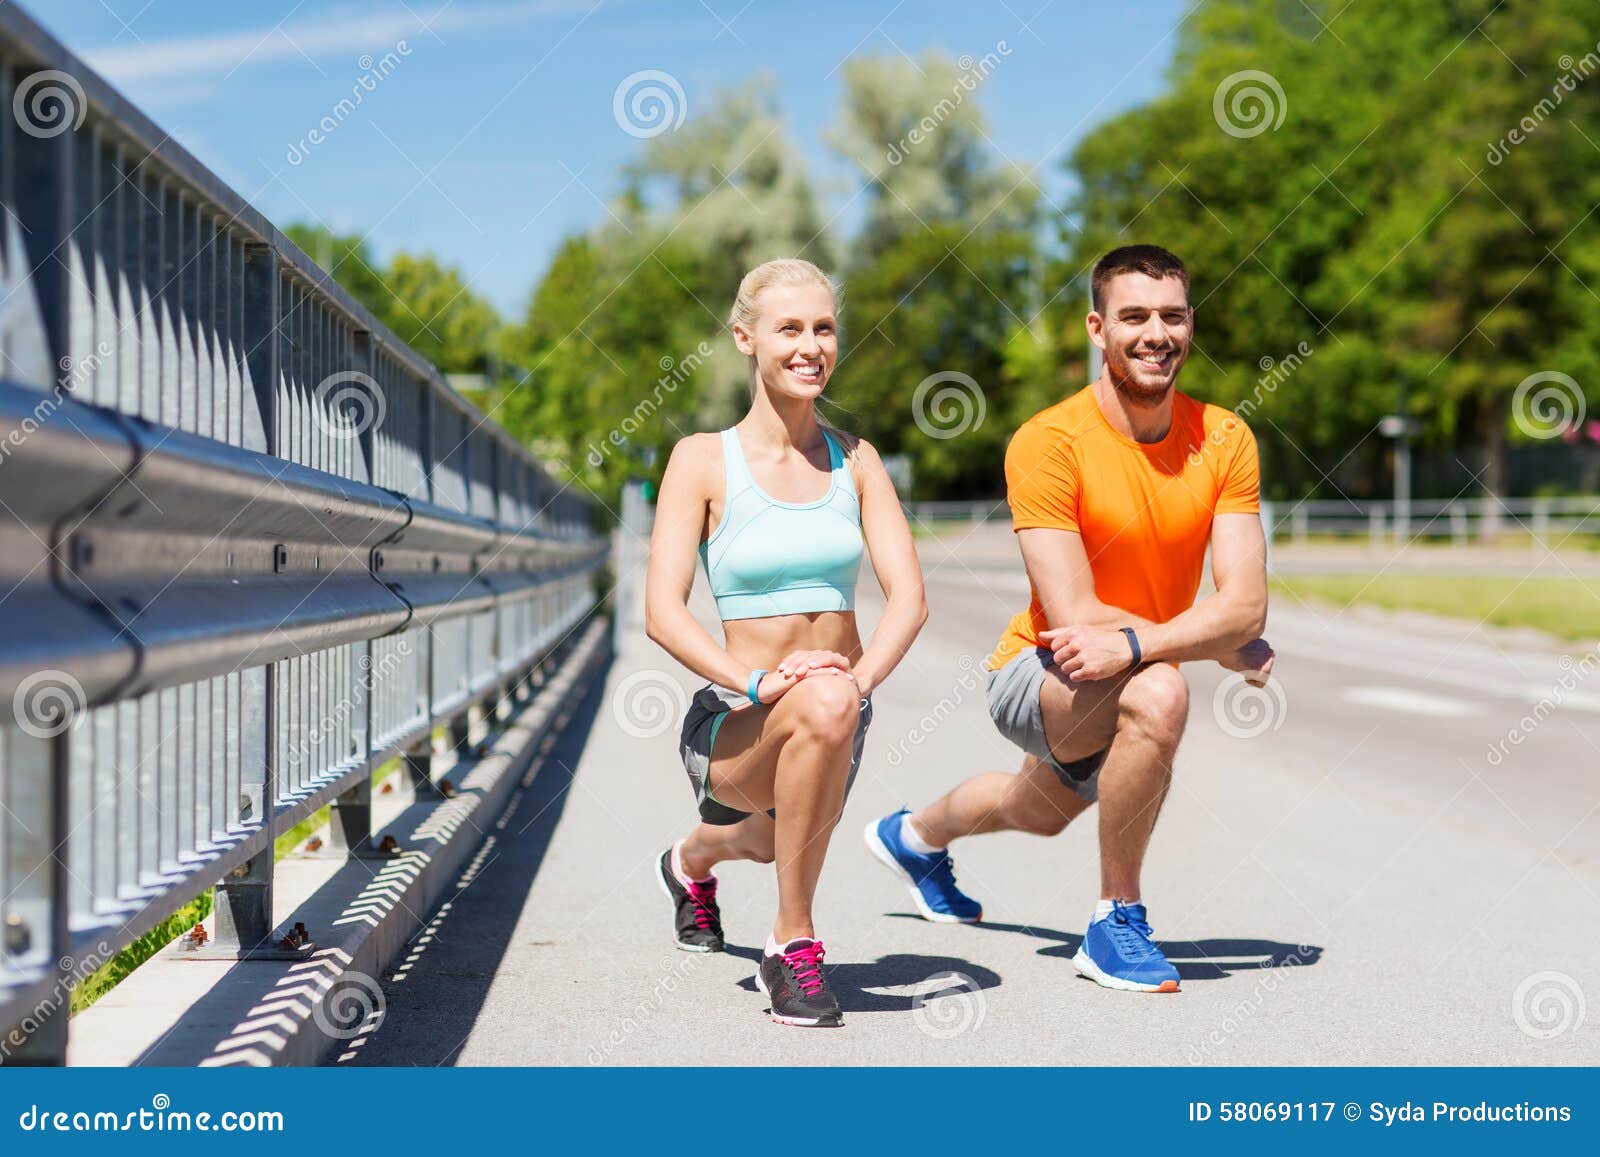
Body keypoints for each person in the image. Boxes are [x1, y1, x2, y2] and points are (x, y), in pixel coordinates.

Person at [864, 244, 1275, 993]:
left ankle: (914, 837)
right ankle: (1115, 921)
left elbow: (1246, 605)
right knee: (1161, 693)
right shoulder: (1049, 441)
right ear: (1097, 328)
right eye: (1135, 316)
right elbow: (1077, 616)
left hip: (1125, 658)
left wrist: (1186, 636)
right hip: (1042, 667)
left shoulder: (1224, 437)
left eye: (1172, 316)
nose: (1157, 333)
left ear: (1191, 325)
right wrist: (1207, 644)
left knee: (1036, 808)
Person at [646, 258, 926, 1027]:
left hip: (837, 710)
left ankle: (687, 863)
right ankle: (791, 942)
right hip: (736, 714)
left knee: (771, 842)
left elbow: (910, 597)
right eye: (790, 328)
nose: (812, 345)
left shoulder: (858, 461)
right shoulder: (702, 460)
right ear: (746, 337)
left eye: (825, 327)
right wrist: (763, 682)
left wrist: (857, 683)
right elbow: (662, 612)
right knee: (781, 818)